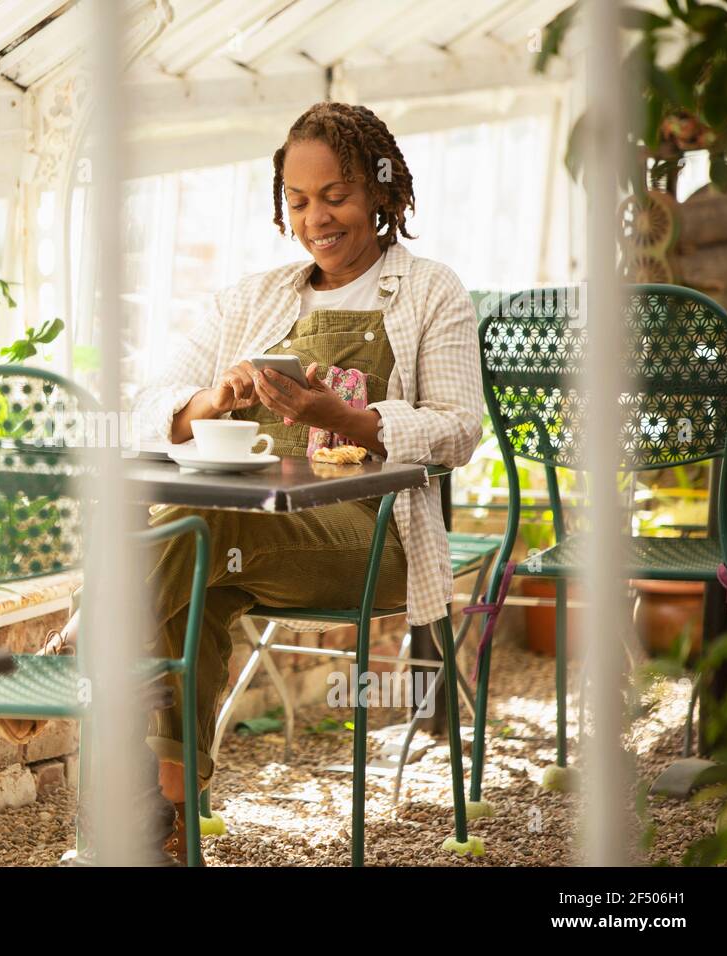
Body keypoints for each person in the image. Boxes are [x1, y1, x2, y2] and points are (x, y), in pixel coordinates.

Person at [120, 101, 485, 853]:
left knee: (200, 524)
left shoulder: (429, 291)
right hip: (252, 535)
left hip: (373, 542)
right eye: (297, 199)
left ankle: (78, 654)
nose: (316, 217)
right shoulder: (254, 300)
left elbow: (458, 430)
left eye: (336, 195)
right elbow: (146, 407)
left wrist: (349, 418)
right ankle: (163, 826)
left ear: (385, 194)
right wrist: (213, 399)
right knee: (190, 573)